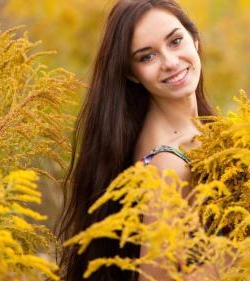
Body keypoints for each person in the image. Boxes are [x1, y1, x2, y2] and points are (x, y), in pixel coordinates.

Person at [55, 1, 216, 280]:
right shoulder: (169, 166)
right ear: (131, 73)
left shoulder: (197, 130)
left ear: (195, 40)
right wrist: (245, 244)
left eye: (175, 41)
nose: (169, 61)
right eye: (146, 57)